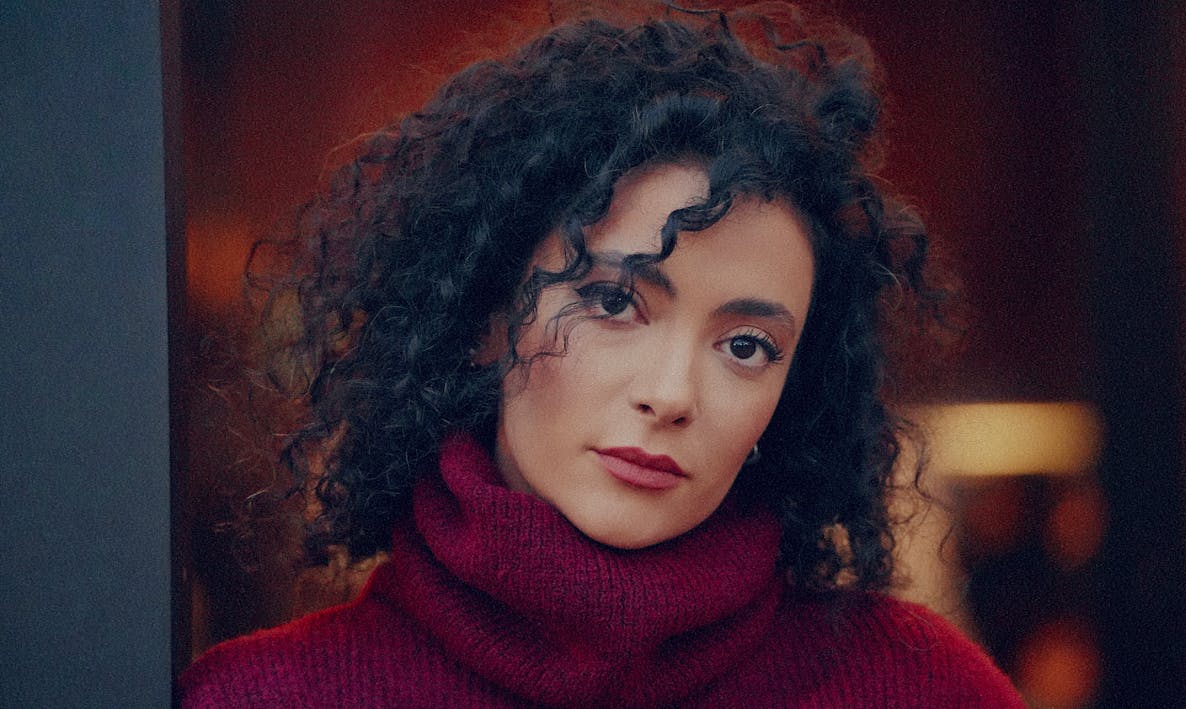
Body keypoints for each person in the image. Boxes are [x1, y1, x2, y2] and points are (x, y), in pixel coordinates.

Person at [180, 4, 1025, 707]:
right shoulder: (268, 694)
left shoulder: (920, 686)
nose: (670, 393)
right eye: (614, 300)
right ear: (485, 316)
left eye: (746, 345)